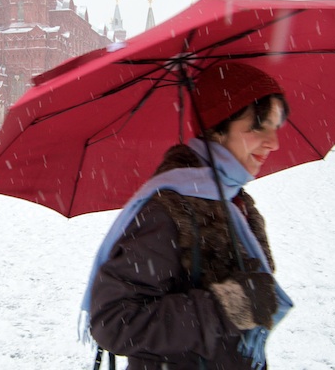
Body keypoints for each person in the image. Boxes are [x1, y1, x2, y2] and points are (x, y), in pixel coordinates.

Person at [84, 62, 294, 370]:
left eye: (276, 127)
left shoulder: (235, 200)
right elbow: (114, 321)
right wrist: (227, 307)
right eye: (258, 126)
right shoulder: (168, 209)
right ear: (219, 129)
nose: (274, 142)